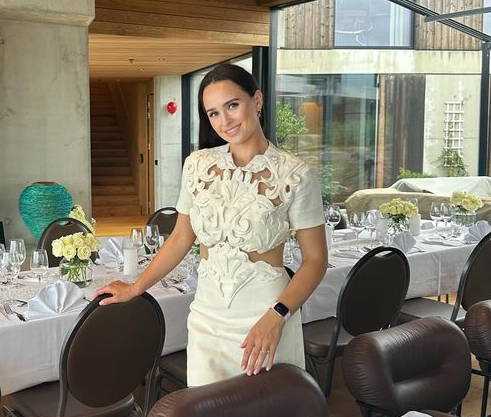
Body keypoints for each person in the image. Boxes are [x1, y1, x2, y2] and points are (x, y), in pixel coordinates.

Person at [95, 63, 327, 385]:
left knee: (263, 413)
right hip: (207, 318)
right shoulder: (197, 165)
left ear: (257, 100)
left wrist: (278, 316)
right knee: (206, 412)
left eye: (232, 105)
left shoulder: (296, 174)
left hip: (266, 318)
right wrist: (136, 287)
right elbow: (181, 238)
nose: (224, 121)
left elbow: (316, 260)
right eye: (214, 113)